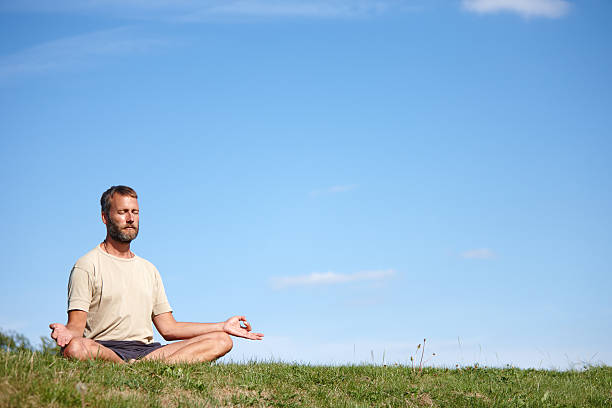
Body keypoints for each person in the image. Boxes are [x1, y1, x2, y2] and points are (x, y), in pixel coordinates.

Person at [49, 185, 263, 363]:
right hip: (106, 350)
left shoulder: (149, 269)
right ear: (105, 217)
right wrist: (67, 333)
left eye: (135, 212)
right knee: (76, 348)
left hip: (147, 352)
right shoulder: (87, 265)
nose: (130, 218)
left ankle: (144, 368)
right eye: (122, 212)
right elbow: (76, 327)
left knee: (222, 340)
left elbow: (169, 328)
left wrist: (222, 326)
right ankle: (128, 367)